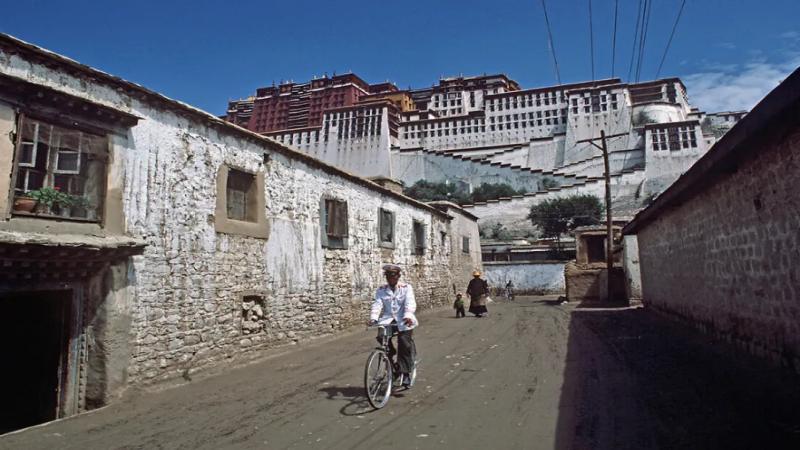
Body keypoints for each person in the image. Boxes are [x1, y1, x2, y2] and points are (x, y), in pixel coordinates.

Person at [368, 264, 418, 388]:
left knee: (404, 342)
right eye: (389, 276)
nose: (391, 278)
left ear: (398, 276)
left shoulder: (406, 288)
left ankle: (405, 372)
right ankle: (392, 361)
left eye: (394, 276)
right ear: (386, 277)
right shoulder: (381, 290)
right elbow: (377, 304)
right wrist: (373, 318)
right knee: (381, 337)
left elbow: (410, 302)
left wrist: (407, 315)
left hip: (403, 319)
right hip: (388, 319)